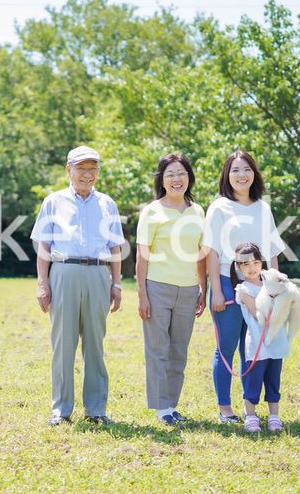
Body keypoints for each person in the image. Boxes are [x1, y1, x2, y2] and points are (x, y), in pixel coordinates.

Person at [31, 145, 125, 427]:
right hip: (63, 272)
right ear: (68, 170)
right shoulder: (53, 202)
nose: (87, 174)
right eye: (81, 168)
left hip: (98, 274)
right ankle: (61, 409)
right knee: (63, 343)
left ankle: (96, 409)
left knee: (95, 343)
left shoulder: (107, 204)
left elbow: (115, 247)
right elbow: (44, 246)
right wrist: (42, 283)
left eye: (92, 169)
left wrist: (117, 284)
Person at [202, 150, 286, 424]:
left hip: (261, 286)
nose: (241, 175)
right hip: (228, 283)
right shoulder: (219, 207)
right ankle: (225, 408)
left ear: (254, 174)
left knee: (254, 346)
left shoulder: (263, 207)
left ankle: (250, 408)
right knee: (225, 346)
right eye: (235, 170)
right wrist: (215, 288)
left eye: (246, 169)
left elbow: (272, 252)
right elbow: (211, 253)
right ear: (227, 175)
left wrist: (275, 287)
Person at [136, 153, 207, 426]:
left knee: (179, 351)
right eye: (170, 174)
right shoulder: (152, 211)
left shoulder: (198, 211)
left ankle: (172, 405)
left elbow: (200, 254)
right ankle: (160, 408)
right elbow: (143, 257)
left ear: (189, 177)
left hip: (189, 290)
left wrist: (203, 287)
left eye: (181, 173)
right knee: (158, 349)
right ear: (162, 180)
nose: (176, 179)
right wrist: (142, 295)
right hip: (157, 287)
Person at [230, 242, 288, 433]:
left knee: (273, 380)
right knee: (253, 381)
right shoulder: (243, 289)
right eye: (245, 264)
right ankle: (251, 415)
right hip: (257, 343)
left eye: (255, 263)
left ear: (262, 263)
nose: (251, 268)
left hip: (275, 340)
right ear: (238, 268)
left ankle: (274, 416)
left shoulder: (272, 283)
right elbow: (258, 313)